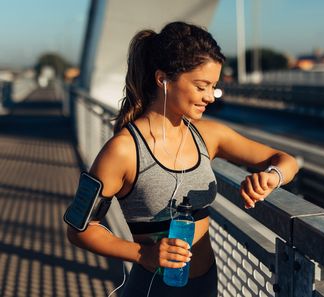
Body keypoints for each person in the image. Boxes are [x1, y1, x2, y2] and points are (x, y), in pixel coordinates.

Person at [66, 21, 299, 297]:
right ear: (163, 79)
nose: (210, 97)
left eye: (213, 86)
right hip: (153, 289)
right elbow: (78, 228)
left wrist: (272, 177)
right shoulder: (123, 150)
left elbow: (285, 160)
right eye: (202, 86)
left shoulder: (208, 135)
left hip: (205, 286)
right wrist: (143, 253)